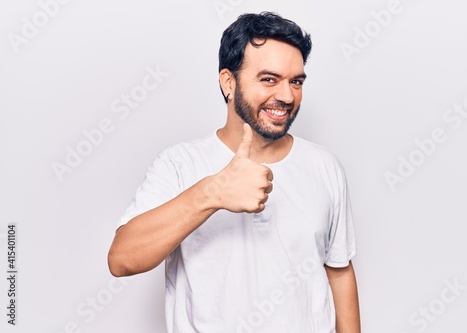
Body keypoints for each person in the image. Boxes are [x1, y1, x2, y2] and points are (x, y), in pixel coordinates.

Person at [108, 12, 360, 333]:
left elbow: (338, 271)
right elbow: (122, 259)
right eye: (269, 79)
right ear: (228, 82)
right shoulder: (180, 163)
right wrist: (213, 192)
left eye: (295, 81)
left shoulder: (325, 166)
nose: (286, 96)